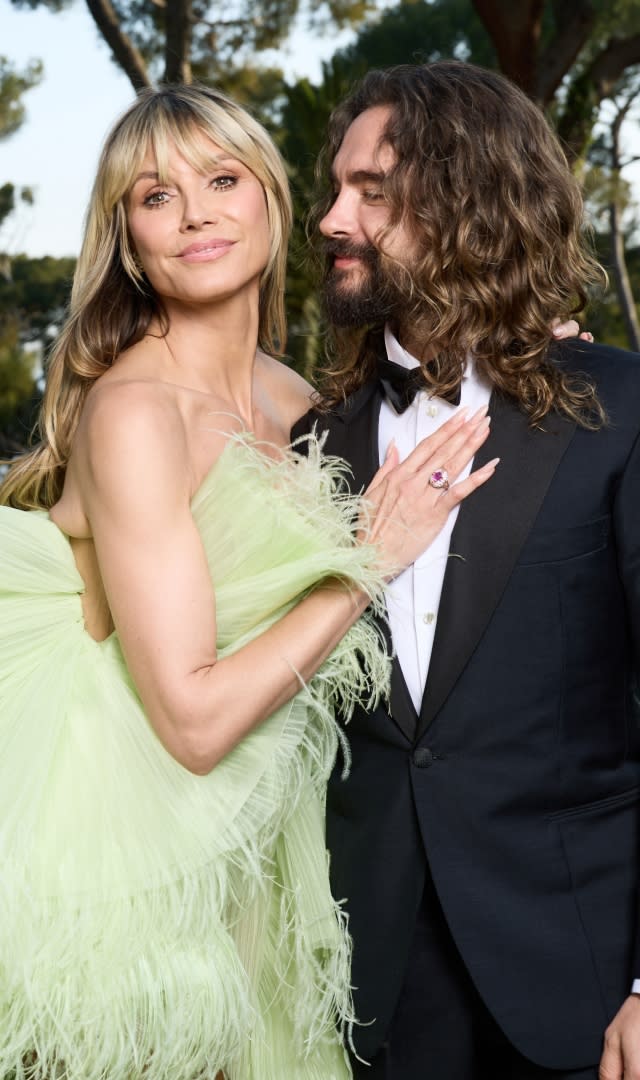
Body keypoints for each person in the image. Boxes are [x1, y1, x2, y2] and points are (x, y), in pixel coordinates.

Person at [0, 84, 499, 1080]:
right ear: (128, 239)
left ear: (273, 200)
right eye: (154, 196)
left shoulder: (302, 399)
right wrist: (364, 563)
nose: (194, 215)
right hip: (121, 845)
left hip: (264, 832)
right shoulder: (135, 412)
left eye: (222, 179)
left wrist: (534, 347)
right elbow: (187, 723)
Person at [292, 60, 640, 1080]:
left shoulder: (619, 412)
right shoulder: (308, 446)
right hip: (374, 989)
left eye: (371, 194)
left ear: (466, 205)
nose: (328, 218)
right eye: (333, 188)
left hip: (581, 979)